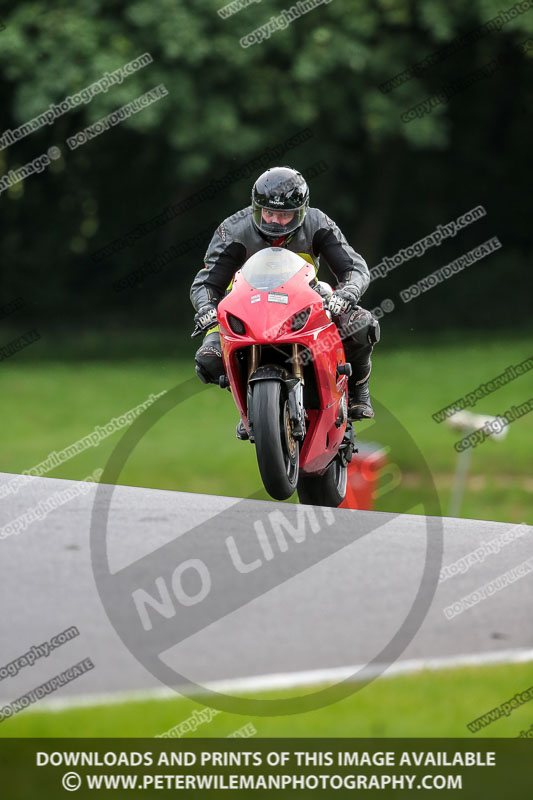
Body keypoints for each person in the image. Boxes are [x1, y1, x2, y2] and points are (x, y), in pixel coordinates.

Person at [191, 166, 380, 439]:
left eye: (284, 215)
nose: (276, 222)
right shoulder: (232, 229)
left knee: (362, 324)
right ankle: (250, 407)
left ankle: (358, 389)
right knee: (208, 360)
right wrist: (207, 308)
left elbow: (354, 267)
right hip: (244, 306)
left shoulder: (318, 223)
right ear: (257, 207)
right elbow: (207, 283)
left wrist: (347, 293)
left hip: (306, 299)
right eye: (269, 213)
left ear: (301, 211)